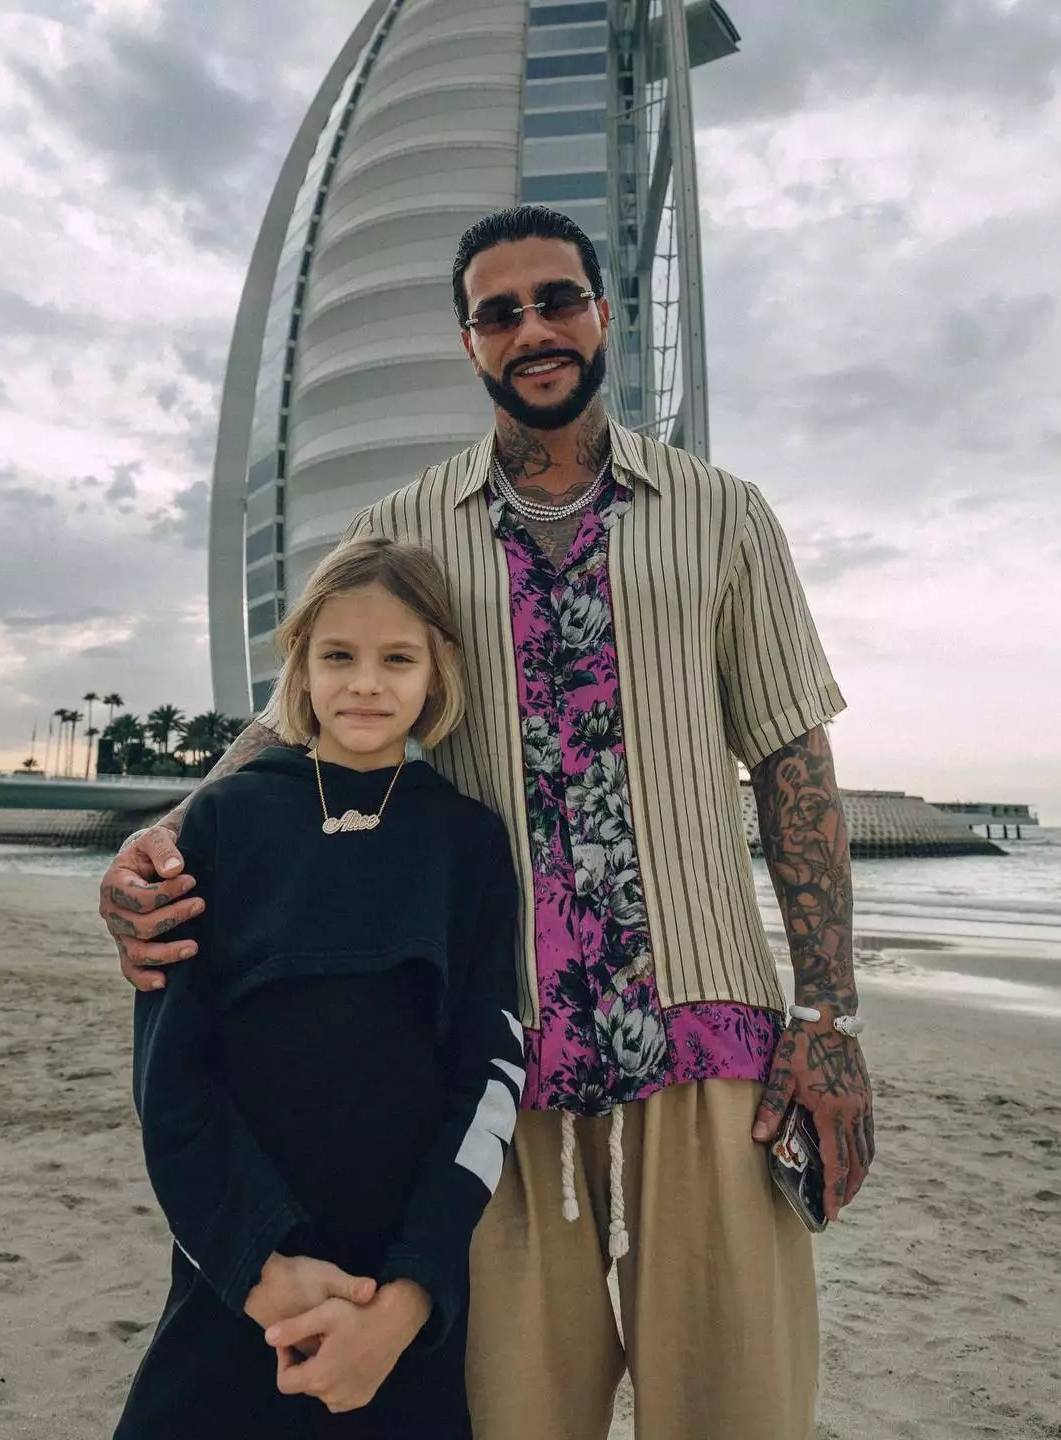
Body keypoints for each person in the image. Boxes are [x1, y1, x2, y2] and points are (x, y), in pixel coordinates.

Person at [102, 204, 874, 1440]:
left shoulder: (725, 515)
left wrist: (828, 1017)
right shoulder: (405, 529)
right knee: (516, 1419)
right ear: (470, 342)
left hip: (709, 1038)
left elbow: (793, 759)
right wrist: (162, 840)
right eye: (498, 313)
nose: (533, 329)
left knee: (736, 1408)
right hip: (501, 1080)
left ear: (604, 314)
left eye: (557, 300)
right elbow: (296, 709)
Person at [113, 538, 523, 1440]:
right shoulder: (223, 820)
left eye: (397, 659)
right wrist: (258, 1270)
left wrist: (409, 1298)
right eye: (339, 655)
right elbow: (168, 1074)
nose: (365, 684)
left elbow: (490, 1078)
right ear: (300, 667)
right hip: (235, 1281)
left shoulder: (468, 843)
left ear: (437, 673)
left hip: (395, 1298)